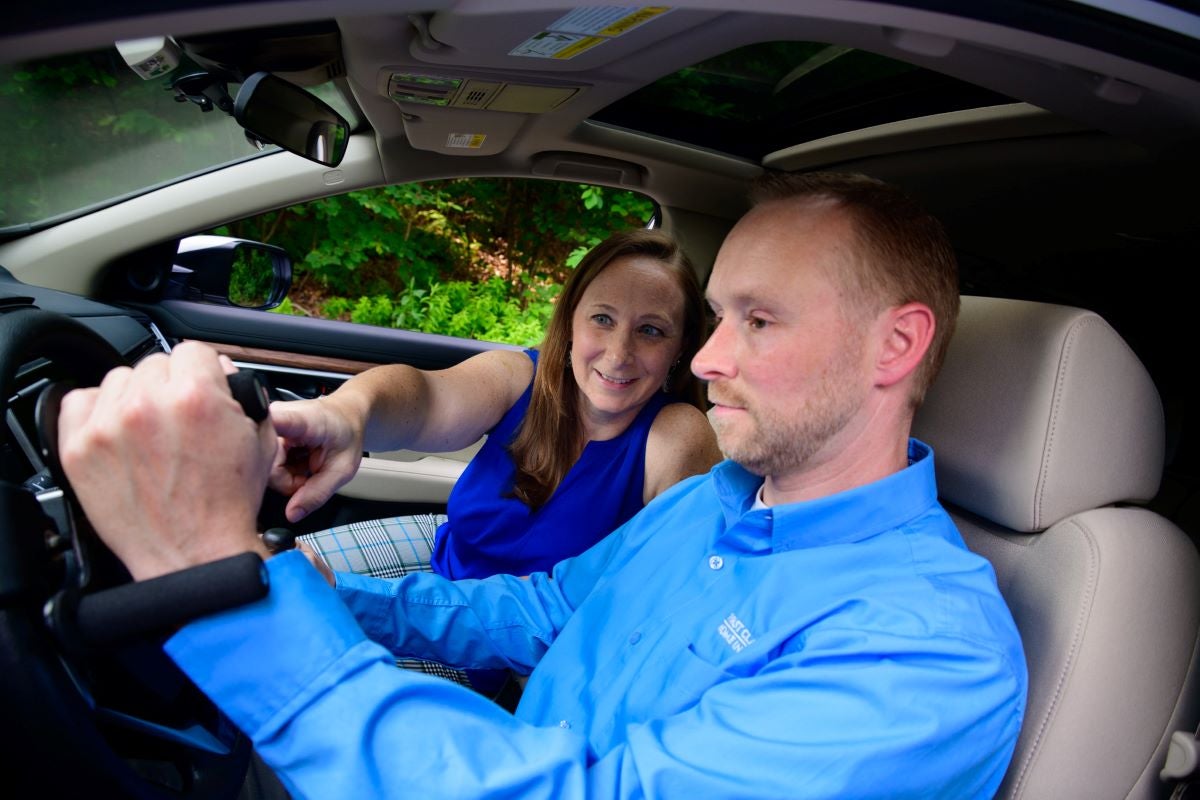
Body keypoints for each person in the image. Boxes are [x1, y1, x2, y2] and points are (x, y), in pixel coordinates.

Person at [58, 171, 1027, 799]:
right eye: (717, 317)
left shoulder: (926, 651)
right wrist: (298, 590)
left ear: (895, 345)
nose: (705, 359)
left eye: (759, 322)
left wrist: (212, 577)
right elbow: (544, 606)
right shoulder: (715, 500)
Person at [271, 228, 720, 587]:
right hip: (441, 557)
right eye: (602, 319)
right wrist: (350, 412)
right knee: (268, 579)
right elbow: (424, 397)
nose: (619, 352)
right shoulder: (519, 376)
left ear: (680, 349)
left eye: (652, 331)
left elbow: (664, 594)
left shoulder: (676, 435)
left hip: (516, 647)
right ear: (570, 324)